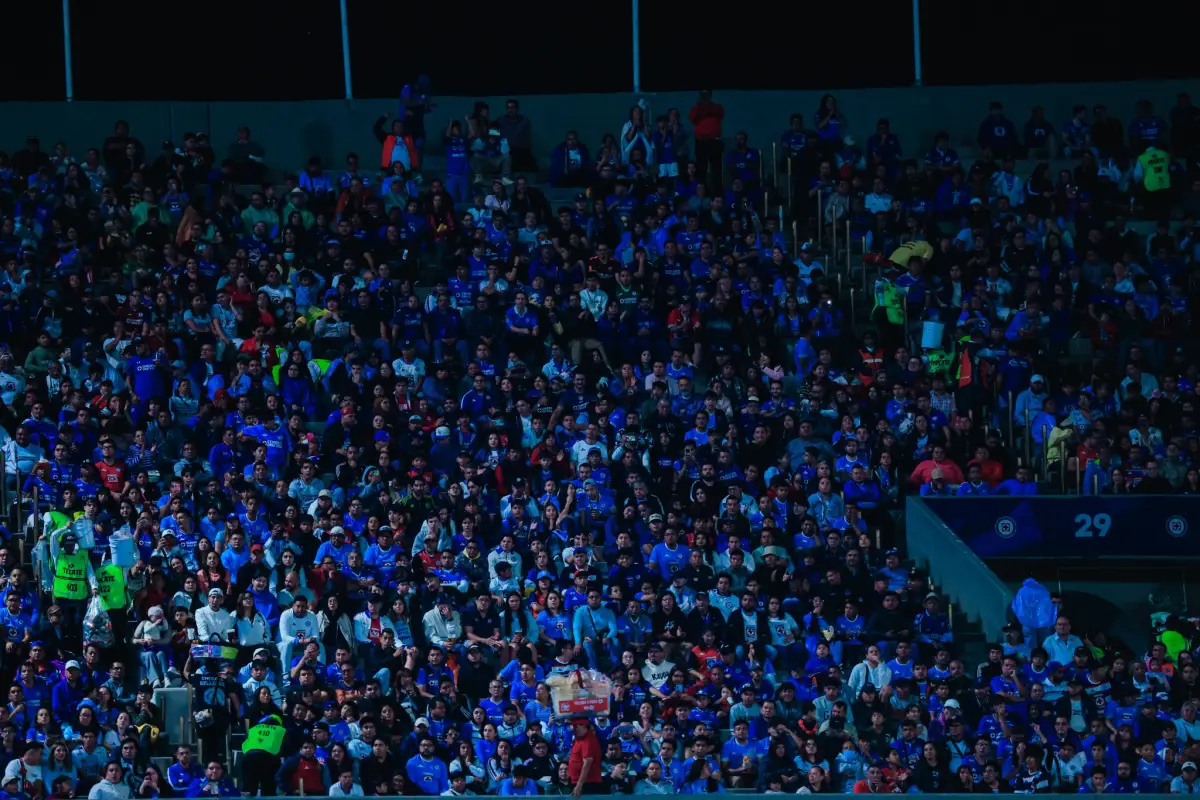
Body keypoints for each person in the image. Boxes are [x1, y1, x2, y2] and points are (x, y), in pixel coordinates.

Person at [567, 718, 602, 796]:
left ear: (584, 726)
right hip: (578, 782)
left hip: (587, 784)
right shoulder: (578, 739)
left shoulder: (588, 740)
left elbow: (587, 763)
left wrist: (580, 784)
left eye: (576, 726)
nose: (573, 729)